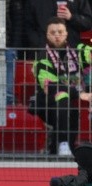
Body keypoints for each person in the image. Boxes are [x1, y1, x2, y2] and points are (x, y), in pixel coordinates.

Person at [31, 17, 92, 156]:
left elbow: (88, 53)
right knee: (62, 96)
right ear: (47, 35)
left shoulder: (76, 50)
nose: (57, 35)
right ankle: (63, 143)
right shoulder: (42, 58)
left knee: (72, 107)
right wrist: (79, 93)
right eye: (53, 32)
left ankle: (66, 147)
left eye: (60, 31)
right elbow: (51, 87)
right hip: (47, 103)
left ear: (66, 34)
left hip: (71, 102)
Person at [23, 0, 92, 53]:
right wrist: (39, 44)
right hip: (44, 51)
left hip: (71, 52)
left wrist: (71, 17)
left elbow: (88, 22)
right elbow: (28, 25)